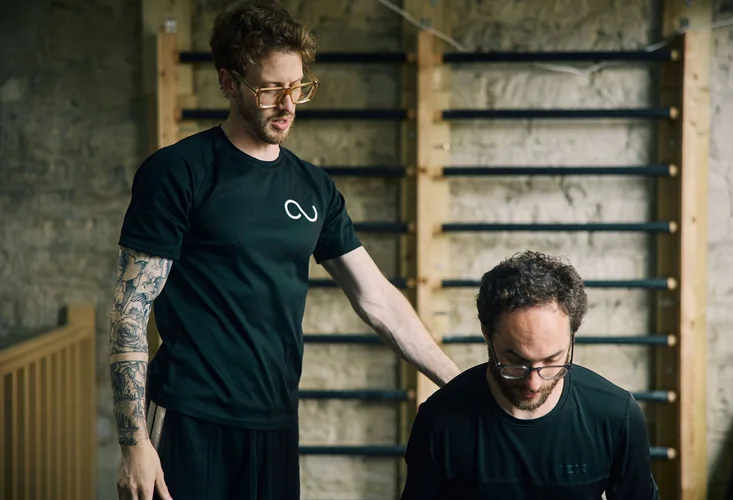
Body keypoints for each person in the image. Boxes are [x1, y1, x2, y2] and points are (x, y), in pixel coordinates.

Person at [107, 1, 461, 499]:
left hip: (275, 424)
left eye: (297, 87)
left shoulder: (314, 187)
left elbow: (378, 299)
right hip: (190, 419)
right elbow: (130, 308)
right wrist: (134, 443)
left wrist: (461, 384)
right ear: (229, 83)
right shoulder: (178, 172)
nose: (288, 104)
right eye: (270, 89)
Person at [400, 250, 659, 500]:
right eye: (515, 361)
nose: (534, 383)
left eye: (552, 360)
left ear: (572, 337)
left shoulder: (617, 415)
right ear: (487, 335)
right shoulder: (438, 420)